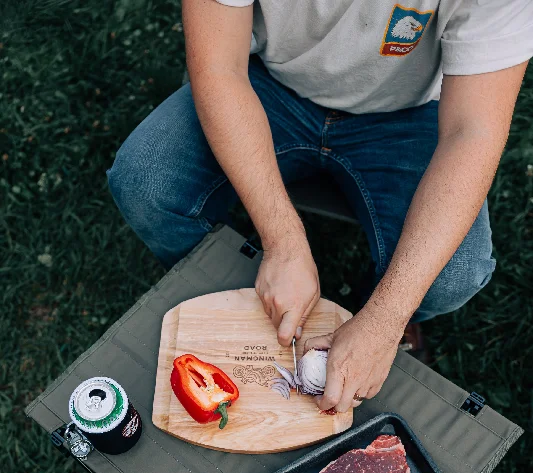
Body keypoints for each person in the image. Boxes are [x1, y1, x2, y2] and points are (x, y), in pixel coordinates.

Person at [107, 0, 532, 413]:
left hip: (407, 116)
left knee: (454, 274)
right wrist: (282, 241)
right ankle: (246, 299)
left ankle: (367, 325)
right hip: (266, 84)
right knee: (145, 184)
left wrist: (386, 318)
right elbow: (219, 68)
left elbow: (471, 132)